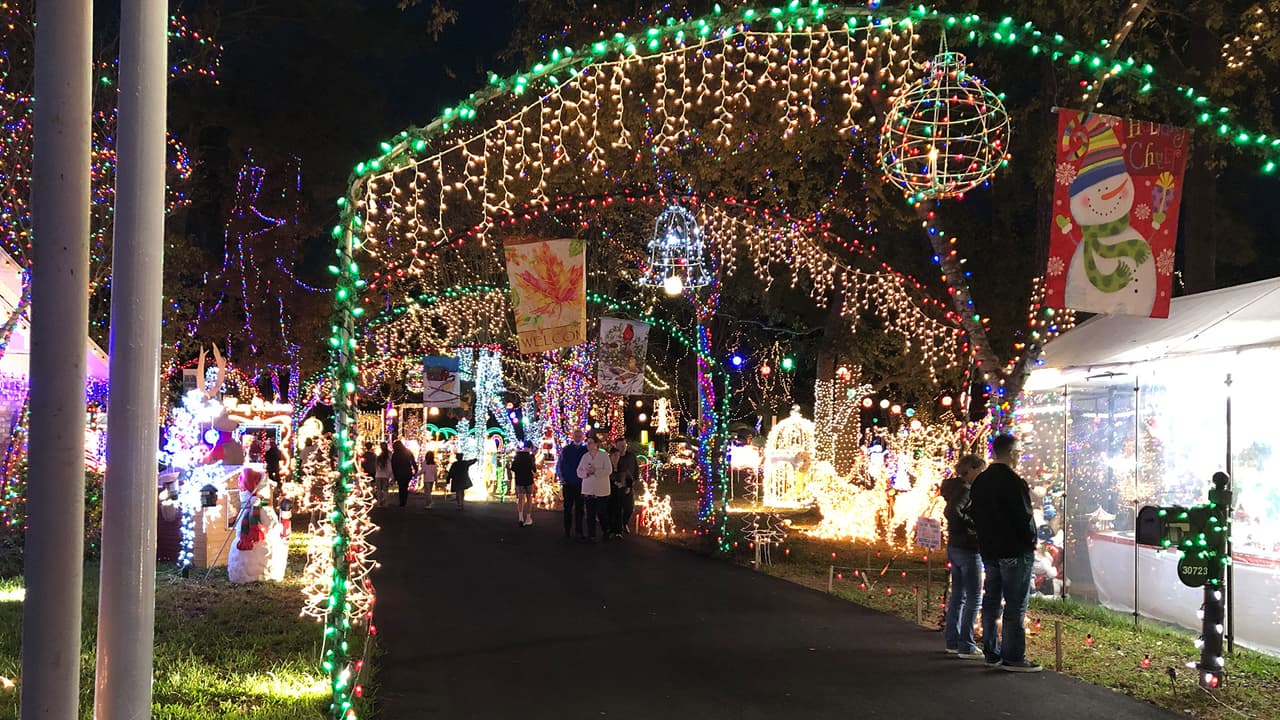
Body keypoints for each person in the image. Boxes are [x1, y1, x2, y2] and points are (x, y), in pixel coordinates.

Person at [968, 434, 1042, 673]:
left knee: (991, 601)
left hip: (990, 550)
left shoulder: (981, 480)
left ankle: (992, 652)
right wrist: (1031, 540)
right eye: (1019, 451)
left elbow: (972, 514)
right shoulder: (1013, 482)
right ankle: (1013, 655)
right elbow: (1024, 517)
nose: (1020, 456)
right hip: (1013, 550)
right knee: (1015, 603)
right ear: (1011, 452)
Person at [941, 453, 986, 660]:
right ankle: (966, 644)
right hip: (968, 549)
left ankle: (953, 641)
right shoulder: (966, 489)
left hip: (955, 546)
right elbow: (952, 511)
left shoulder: (954, 487)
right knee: (973, 597)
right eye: (981, 471)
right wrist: (972, 525)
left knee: (958, 596)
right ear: (973, 469)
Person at [576, 434, 613, 542]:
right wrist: (586, 473)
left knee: (601, 512)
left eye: (591, 443)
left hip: (601, 489)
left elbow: (608, 470)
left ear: (596, 444)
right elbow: (579, 471)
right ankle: (591, 534)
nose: (589, 445)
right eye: (587, 443)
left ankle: (606, 529)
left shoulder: (603, 455)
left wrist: (595, 471)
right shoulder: (585, 456)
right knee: (590, 513)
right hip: (588, 489)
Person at [556, 430, 589, 539]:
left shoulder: (586, 450)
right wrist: (561, 478)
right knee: (567, 508)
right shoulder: (566, 450)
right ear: (572, 436)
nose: (578, 437)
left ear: (583, 437)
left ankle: (579, 531)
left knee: (580, 509)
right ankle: (567, 531)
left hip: (581, 484)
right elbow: (559, 465)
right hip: (568, 483)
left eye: (580, 436)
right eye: (576, 436)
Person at [609, 438, 639, 538]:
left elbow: (635, 470)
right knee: (616, 509)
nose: (623, 447)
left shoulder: (631, 456)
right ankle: (616, 528)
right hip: (615, 488)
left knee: (629, 508)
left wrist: (630, 484)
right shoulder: (614, 457)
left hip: (628, 487)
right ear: (616, 446)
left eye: (624, 445)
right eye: (621, 445)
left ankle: (624, 523)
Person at [510, 443, 537, 526]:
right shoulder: (531, 457)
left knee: (521, 498)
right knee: (529, 498)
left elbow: (513, 468)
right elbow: (534, 469)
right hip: (529, 480)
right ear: (529, 448)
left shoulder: (517, 456)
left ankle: (520, 517)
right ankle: (528, 518)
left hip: (519, 480)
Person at [390, 439, 418, 508]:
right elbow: (413, 461)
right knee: (405, 487)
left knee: (401, 487)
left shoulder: (395, 454)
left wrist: (394, 474)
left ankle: (401, 501)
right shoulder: (407, 452)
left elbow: (393, 465)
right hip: (407, 472)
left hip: (399, 472)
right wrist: (415, 469)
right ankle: (404, 500)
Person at [374, 441, 392, 507]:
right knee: (385, 489)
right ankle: (386, 503)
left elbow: (376, 466)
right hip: (386, 474)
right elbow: (390, 465)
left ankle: (379, 502)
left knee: (379, 489)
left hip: (378, 474)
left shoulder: (378, 455)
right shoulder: (389, 454)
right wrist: (391, 474)